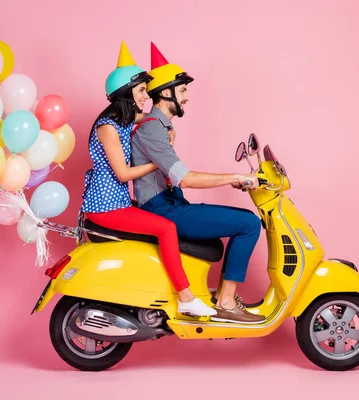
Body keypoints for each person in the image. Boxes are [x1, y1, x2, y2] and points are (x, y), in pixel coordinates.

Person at [130, 42, 266, 324]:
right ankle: (226, 302)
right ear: (165, 93)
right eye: (182, 91)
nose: (187, 98)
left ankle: (221, 298)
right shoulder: (153, 129)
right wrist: (235, 177)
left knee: (241, 221)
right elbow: (185, 178)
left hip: (170, 204)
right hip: (163, 209)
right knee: (249, 223)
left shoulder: (162, 127)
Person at [80, 41, 216, 318]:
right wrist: (159, 162)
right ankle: (186, 297)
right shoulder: (108, 127)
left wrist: (170, 132)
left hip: (118, 201)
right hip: (105, 207)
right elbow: (123, 173)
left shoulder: (124, 119)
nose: (147, 96)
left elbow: (157, 117)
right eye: (142, 90)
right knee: (166, 228)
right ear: (126, 92)